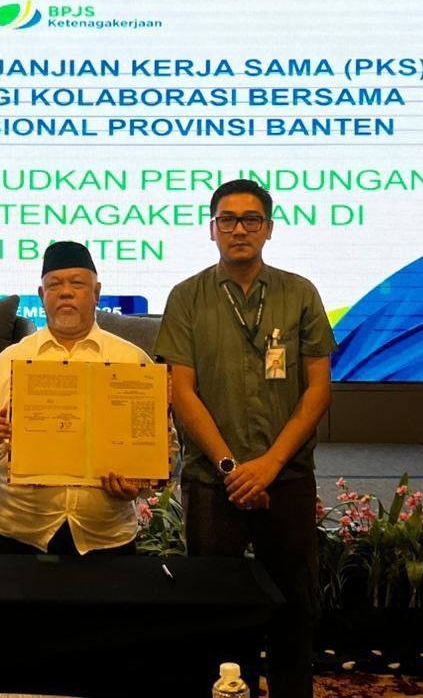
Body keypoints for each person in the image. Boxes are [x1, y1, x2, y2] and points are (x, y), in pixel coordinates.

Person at [156, 179, 336, 698]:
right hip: (213, 483)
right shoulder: (186, 296)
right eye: (228, 219)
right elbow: (181, 391)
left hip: (287, 478)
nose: (239, 229)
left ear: (269, 229)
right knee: (216, 612)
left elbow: (319, 389)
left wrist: (270, 465)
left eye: (251, 219)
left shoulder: (299, 293)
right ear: (211, 229)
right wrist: (233, 469)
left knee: (293, 609)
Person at [0, 241, 158, 556]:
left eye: (77, 284)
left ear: (96, 292)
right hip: (14, 529)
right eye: (55, 285)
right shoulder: (11, 360)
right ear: (42, 295)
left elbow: (159, 445)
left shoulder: (131, 361)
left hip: (104, 534)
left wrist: (140, 483)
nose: (66, 293)